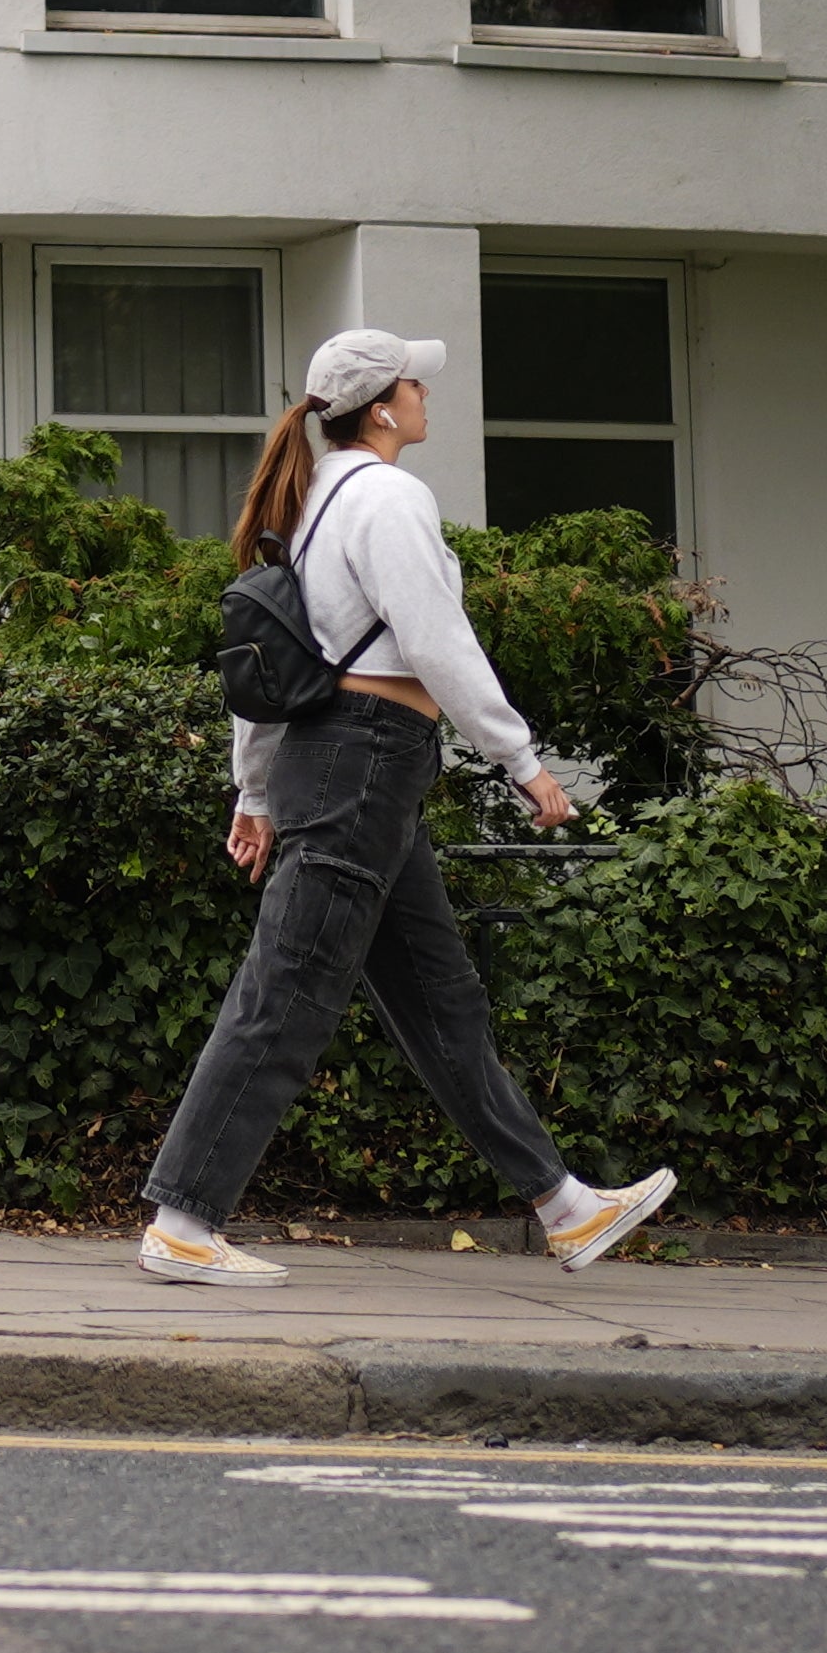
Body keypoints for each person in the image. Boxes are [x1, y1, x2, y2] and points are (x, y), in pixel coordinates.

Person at [128, 326, 678, 1287]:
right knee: (287, 992)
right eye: (416, 384)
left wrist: (256, 791)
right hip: (365, 766)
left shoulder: (315, 504)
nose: (427, 395)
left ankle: (564, 1206)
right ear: (382, 407)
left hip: (349, 767)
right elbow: (436, 639)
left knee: (441, 1001)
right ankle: (183, 1220)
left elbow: (271, 672)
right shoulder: (384, 497)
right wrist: (521, 760)